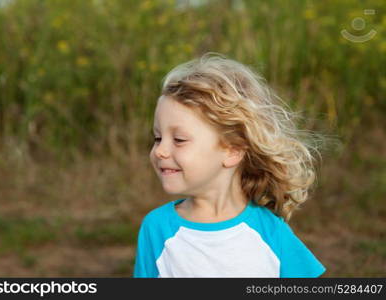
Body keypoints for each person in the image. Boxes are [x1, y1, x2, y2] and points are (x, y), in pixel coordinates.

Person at [133, 52, 326, 278]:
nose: (160, 150)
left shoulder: (269, 230)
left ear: (233, 150)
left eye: (179, 140)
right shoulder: (156, 228)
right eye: (157, 138)